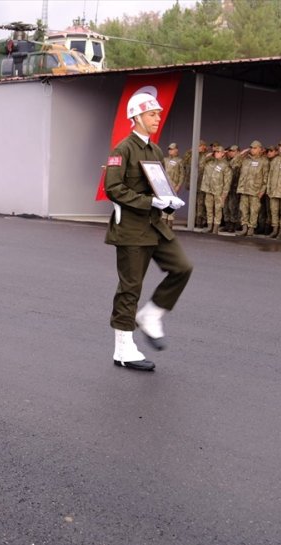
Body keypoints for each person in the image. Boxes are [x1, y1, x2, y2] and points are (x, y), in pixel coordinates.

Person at [102, 92, 192, 372]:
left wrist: (167, 201)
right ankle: (123, 348)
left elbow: (159, 184)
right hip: (130, 228)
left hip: (155, 225)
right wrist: (150, 201)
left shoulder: (154, 150)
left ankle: (151, 314)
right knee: (130, 288)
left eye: (158, 114)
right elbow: (113, 189)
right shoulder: (122, 149)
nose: (157, 118)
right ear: (137, 117)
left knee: (182, 267)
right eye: (152, 114)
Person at [232, 140, 269, 236]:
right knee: (243, 209)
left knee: (254, 210)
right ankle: (244, 228)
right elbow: (232, 164)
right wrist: (241, 154)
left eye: (255, 148)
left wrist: (262, 190)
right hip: (244, 189)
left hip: (255, 190)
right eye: (251, 148)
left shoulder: (264, 161)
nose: (252, 150)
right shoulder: (245, 160)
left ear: (260, 149)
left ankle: (251, 228)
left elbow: (266, 178)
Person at [200, 144, 232, 235]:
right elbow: (201, 166)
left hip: (219, 191)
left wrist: (224, 194)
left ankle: (216, 227)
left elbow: (227, 181)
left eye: (218, 152)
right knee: (209, 208)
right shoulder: (210, 163)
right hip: (208, 189)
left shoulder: (225, 165)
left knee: (217, 209)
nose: (216, 154)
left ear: (223, 154)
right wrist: (206, 157)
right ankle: (209, 226)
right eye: (215, 152)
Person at [163, 142, 185, 229]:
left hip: (173, 185)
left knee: (172, 203)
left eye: (172, 149)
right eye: (169, 149)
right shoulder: (165, 159)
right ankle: (164, 220)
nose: (170, 151)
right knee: (164, 202)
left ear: (176, 150)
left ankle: (170, 221)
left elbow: (182, 174)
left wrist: (179, 185)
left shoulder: (179, 161)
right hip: (164, 185)